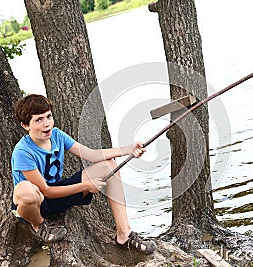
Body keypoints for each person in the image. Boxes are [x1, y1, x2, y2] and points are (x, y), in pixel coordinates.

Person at [11, 94, 157, 254]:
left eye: (49, 116)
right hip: (37, 205)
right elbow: (46, 191)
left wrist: (129, 149)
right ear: (26, 125)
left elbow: (92, 154)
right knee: (25, 190)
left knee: (109, 165)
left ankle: (124, 234)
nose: (47, 124)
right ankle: (40, 226)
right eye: (39, 120)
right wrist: (85, 186)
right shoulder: (23, 151)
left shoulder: (57, 135)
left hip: (57, 195)